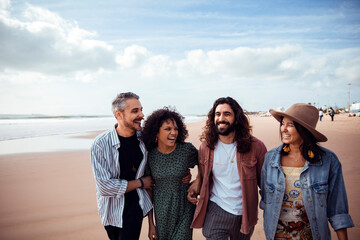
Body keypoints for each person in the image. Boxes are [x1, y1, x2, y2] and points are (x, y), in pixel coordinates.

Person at [260, 103, 354, 240]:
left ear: (304, 129)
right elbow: (266, 202)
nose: (283, 129)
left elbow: (338, 209)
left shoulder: (328, 161)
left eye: (290, 125)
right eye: (282, 123)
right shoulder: (270, 159)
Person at [187, 97, 267, 240]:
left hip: (245, 213)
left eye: (227, 114)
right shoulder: (206, 147)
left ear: (237, 119)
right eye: (217, 114)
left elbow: (265, 183)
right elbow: (203, 174)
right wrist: (196, 184)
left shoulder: (256, 147)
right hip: (216, 209)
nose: (221, 118)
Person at [90, 92, 154, 240]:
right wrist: (141, 182)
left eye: (141, 109)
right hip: (110, 211)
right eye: (135, 111)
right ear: (119, 114)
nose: (142, 114)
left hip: (135, 208)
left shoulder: (146, 139)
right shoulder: (100, 144)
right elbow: (104, 187)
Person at [141, 107, 198, 240]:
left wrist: (197, 181)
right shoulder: (150, 156)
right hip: (162, 210)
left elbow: (205, 164)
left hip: (184, 206)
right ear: (156, 132)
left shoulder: (186, 150)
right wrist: (151, 224)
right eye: (168, 129)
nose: (173, 133)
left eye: (176, 129)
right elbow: (149, 189)